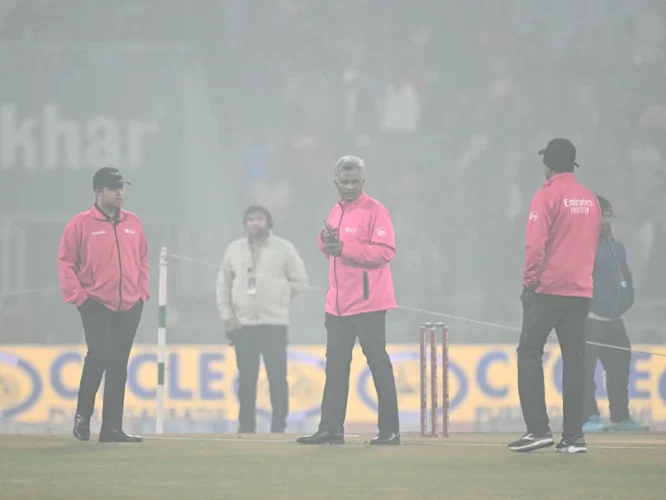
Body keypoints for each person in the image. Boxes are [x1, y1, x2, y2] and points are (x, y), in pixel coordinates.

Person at [296, 155, 401, 446]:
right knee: (335, 367)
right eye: (345, 182)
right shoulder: (336, 210)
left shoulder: (376, 211)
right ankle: (331, 429)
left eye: (355, 181)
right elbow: (331, 250)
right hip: (338, 305)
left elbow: (386, 251)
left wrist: (345, 248)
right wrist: (325, 239)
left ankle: (390, 431)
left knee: (378, 364)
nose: (350, 186)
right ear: (336, 183)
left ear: (363, 181)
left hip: (369, 303)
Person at [509, 138, 601, 454]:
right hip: (581, 290)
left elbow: (535, 245)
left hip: (548, 289)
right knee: (575, 361)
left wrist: (529, 282)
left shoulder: (546, 195)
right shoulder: (590, 199)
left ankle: (538, 430)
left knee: (529, 352)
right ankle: (574, 437)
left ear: (547, 165)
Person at [58, 167, 149, 443]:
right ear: (99, 193)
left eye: (121, 187)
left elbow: (143, 259)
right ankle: (83, 417)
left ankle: (111, 429)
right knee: (99, 356)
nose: (119, 193)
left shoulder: (133, 222)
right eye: (113, 188)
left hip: (130, 304)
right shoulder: (80, 224)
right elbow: (66, 262)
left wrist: (142, 292)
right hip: (95, 302)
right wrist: (78, 296)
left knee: (119, 363)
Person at [216, 205, 308, 433]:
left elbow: (300, 282)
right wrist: (229, 316)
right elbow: (223, 286)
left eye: (259, 219)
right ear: (245, 224)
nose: (254, 223)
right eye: (250, 219)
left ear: (268, 222)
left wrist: (280, 298)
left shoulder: (284, 248)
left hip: (274, 323)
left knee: (277, 378)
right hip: (243, 324)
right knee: (247, 379)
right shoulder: (234, 249)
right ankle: (246, 427)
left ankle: (279, 427)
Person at [583, 195, 645, 432]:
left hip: (614, 321)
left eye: (609, 216)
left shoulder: (617, 247)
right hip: (589, 320)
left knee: (619, 369)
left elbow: (626, 275)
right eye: (603, 216)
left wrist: (628, 298)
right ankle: (588, 417)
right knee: (585, 371)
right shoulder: (581, 246)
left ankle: (620, 417)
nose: (607, 221)